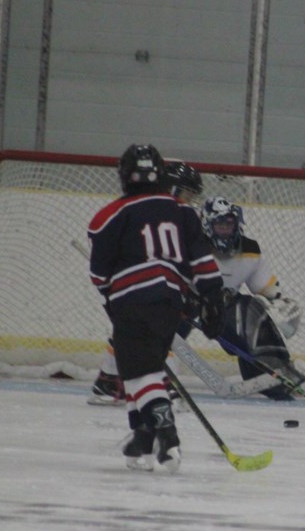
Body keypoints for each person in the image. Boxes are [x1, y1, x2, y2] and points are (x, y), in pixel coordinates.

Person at [87, 144, 225, 472]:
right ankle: (142, 436)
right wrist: (214, 298)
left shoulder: (109, 215)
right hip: (170, 306)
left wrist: (112, 299)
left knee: (139, 374)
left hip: (133, 302)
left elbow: (99, 274)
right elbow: (203, 263)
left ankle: (167, 433)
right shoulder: (184, 212)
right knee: (146, 370)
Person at [87, 159, 205, 406]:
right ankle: (160, 384)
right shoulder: (154, 215)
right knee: (154, 330)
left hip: (152, 292)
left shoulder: (175, 216)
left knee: (137, 332)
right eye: (186, 193)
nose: (189, 200)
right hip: (141, 290)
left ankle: (109, 381)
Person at [200, 196, 304, 400]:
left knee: (252, 307)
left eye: (229, 224)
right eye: (219, 224)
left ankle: (275, 371)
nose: (225, 229)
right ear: (207, 225)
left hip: (221, 308)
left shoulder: (249, 250)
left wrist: (281, 302)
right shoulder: (194, 245)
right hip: (190, 304)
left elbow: (265, 288)